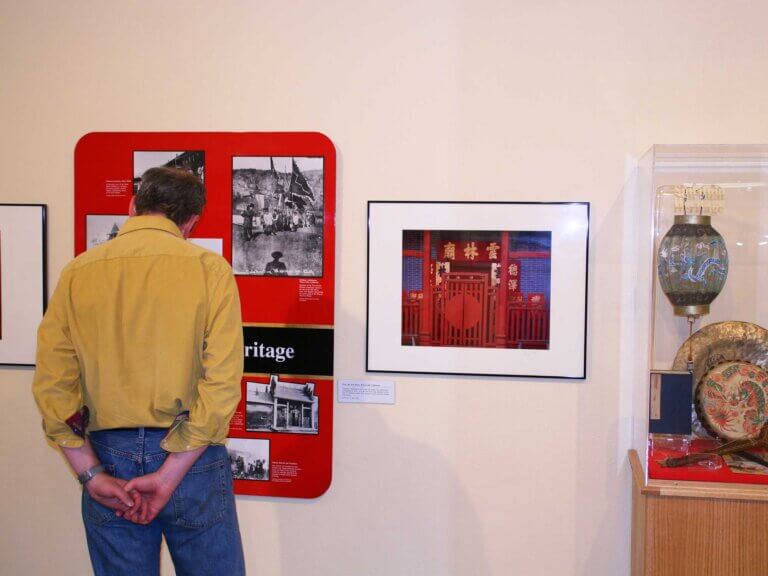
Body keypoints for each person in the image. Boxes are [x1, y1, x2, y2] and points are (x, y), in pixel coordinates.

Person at [32, 167, 245, 576]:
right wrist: (168, 476)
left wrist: (90, 474)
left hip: (107, 456)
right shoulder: (209, 270)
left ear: (133, 206)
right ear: (190, 222)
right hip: (192, 460)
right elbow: (220, 384)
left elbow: (53, 384)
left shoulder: (78, 272)